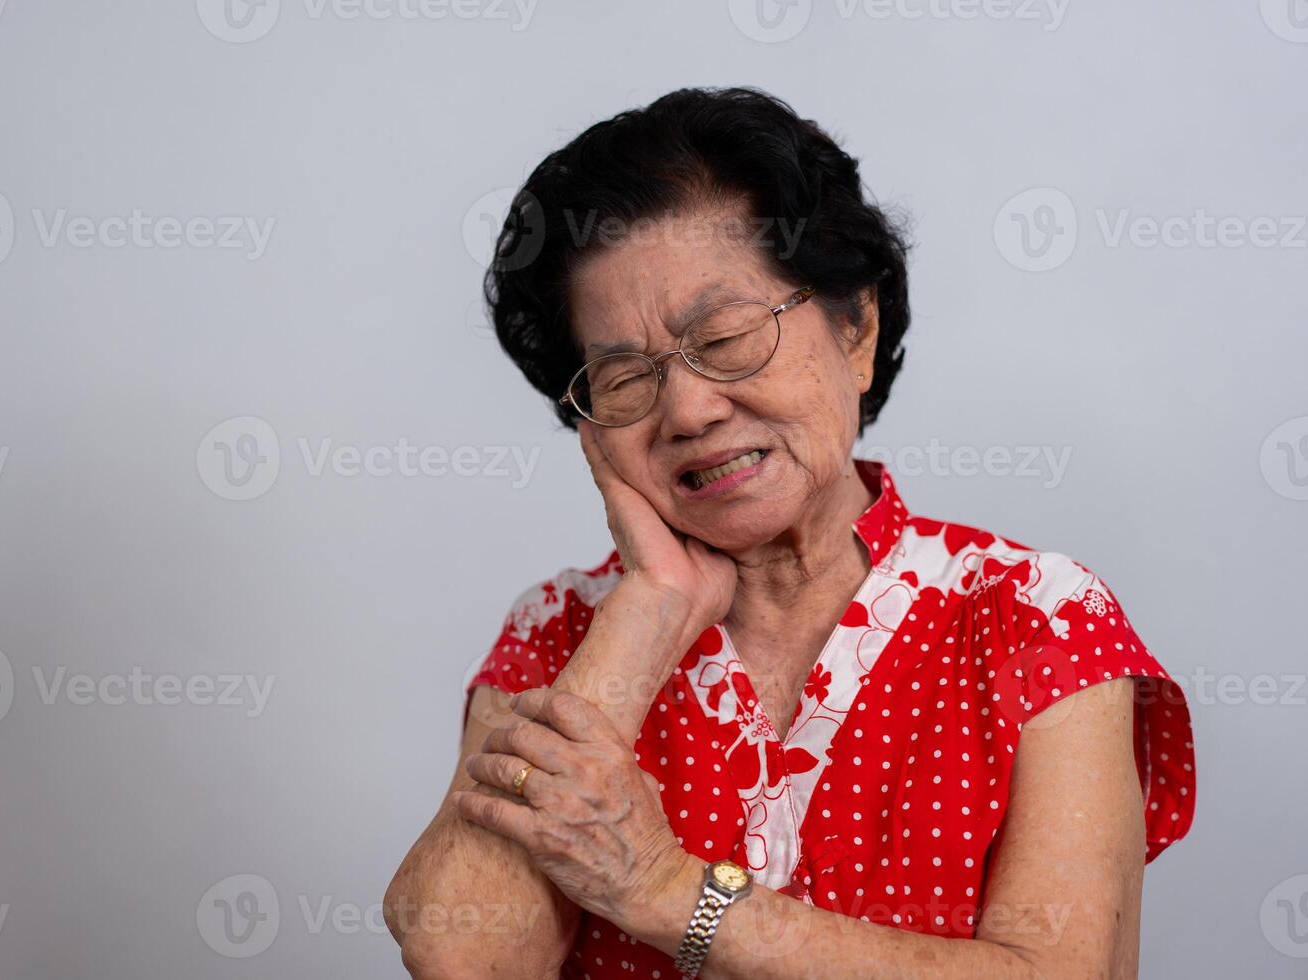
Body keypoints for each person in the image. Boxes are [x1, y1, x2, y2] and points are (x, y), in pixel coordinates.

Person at [385, 86, 1194, 979]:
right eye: (623, 378)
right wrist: (648, 609)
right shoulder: (561, 630)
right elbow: (460, 956)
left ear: (856, 329)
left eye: (726, 338)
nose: (688, 410)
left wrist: (665, 889)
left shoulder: (1037, 617)